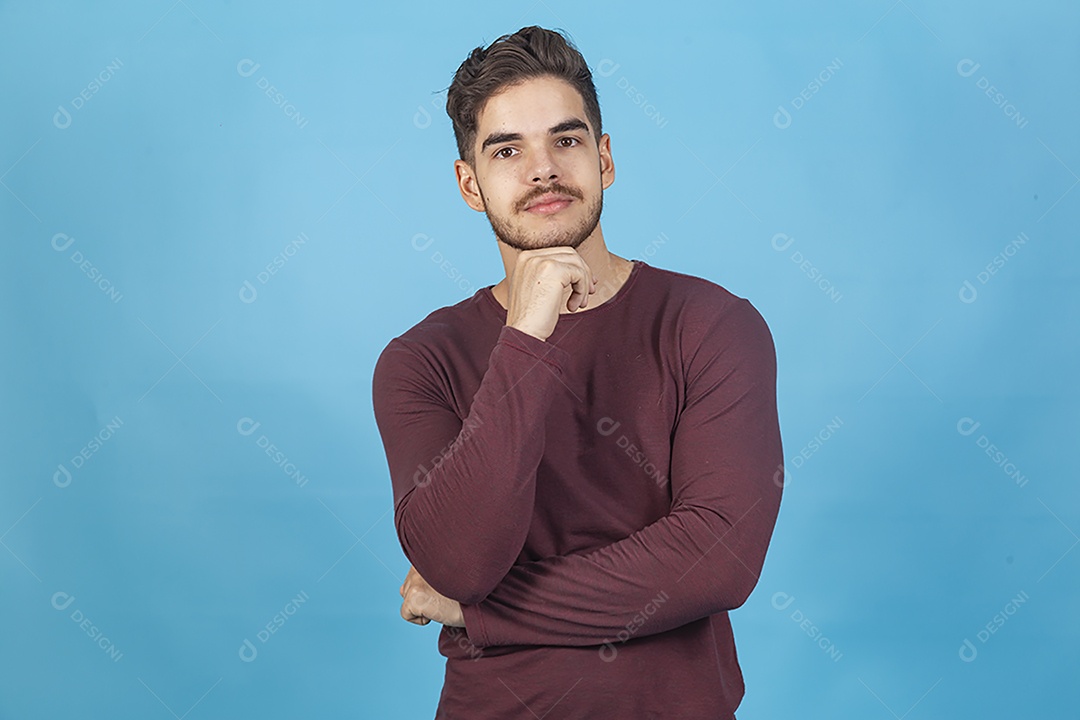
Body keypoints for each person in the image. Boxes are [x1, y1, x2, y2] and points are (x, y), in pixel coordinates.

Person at [371, 25, 783, 720]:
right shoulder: (420, 361)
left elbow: (718, 560)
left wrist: (482, 612)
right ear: (470, 185)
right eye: (508, 150)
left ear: (605, 158)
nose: (543, 170)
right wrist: (527, 334)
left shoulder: (711, 324)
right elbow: (460, 563)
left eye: (565, 140)